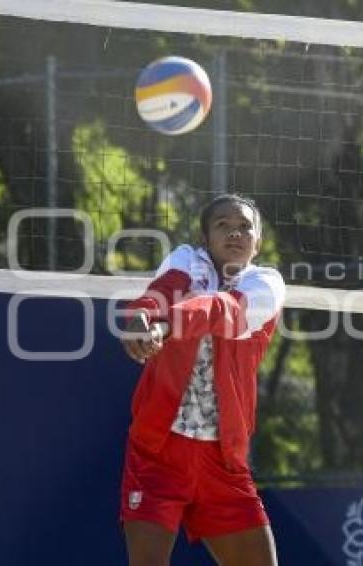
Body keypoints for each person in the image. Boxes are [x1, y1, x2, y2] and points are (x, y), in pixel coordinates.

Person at [119, 194, 286, 566]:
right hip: (158, 453)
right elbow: (161, 292)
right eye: (223, 225)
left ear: (257, 242)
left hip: (223, 460)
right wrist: (143, 316)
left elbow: (222, 311)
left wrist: (166, 323)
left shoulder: (267, 284)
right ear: (206, 238)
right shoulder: (184, 261)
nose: (235, 233)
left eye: (245, 226)